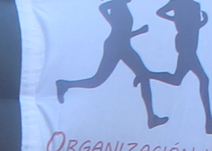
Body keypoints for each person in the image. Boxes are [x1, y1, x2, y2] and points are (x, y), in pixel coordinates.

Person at [56, 1, 167, 129]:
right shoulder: (117, 4)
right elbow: (103, 8)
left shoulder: (123, 7)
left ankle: (151, 118)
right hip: (115, 46)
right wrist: (117, 24)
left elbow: (123, 33)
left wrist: (138, 32)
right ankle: (65, 84)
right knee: (96, 80)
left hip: (123, 46)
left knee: (143, 75)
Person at [149, 1, 212, 132]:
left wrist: (203, 22)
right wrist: (175, 19)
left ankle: (147, 74)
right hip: (185, 44)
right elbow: (160, 12)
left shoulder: (195, 5)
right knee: (203, 79)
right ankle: (210, 124)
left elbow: (194, 26)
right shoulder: (177, 2)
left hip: (191, 43)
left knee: (177, 79)